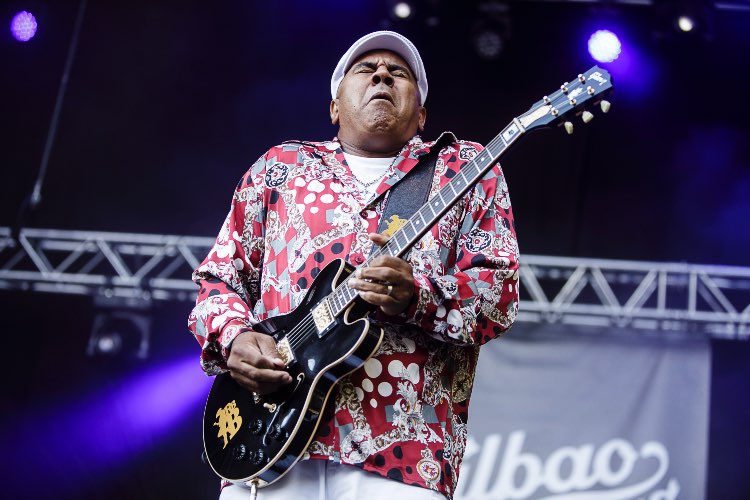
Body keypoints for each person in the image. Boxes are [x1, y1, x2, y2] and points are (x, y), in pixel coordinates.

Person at [188, 30, 520, 500]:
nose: (382, 74)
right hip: (268, 445)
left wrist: (418, 295)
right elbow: (219, 278)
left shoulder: (465, 169)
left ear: (421, 115)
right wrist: (236, 338)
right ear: (334, 107)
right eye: (365, 69)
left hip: (401, 454)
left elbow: (499, 293)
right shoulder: (280, 168)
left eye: (399, 72)